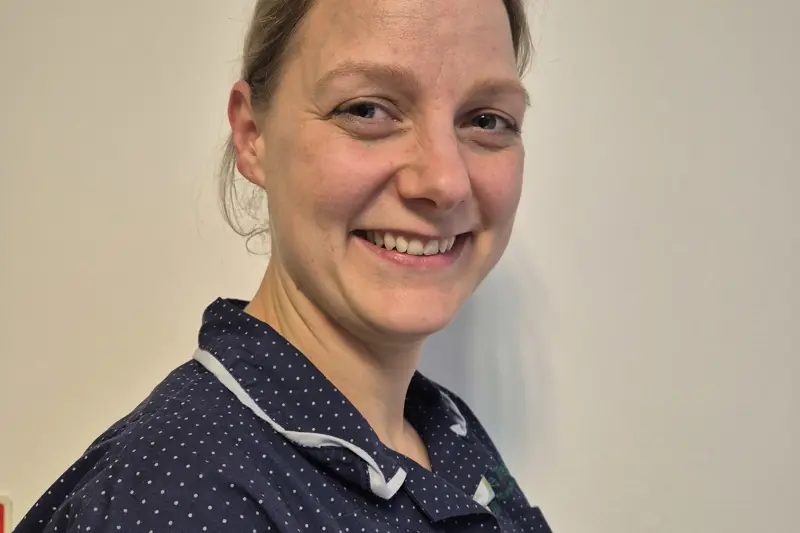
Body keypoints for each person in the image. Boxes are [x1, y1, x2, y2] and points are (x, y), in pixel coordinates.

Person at [16, 0, 551, 531]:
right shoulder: (182, 500)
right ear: (254, 134)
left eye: (487, 120)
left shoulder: (442, 429)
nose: (445, 182)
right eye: (367, 110)